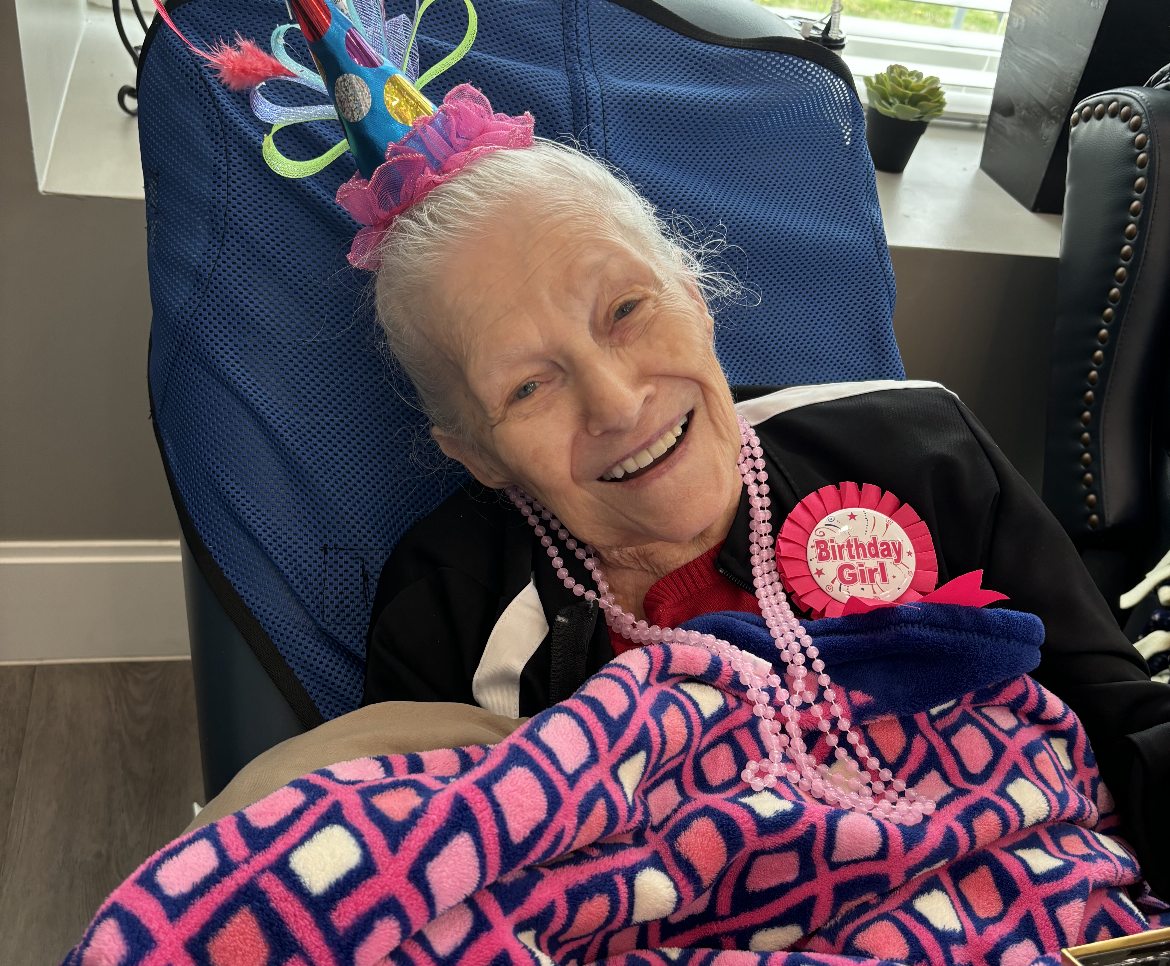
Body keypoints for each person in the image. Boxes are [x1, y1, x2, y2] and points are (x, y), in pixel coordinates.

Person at [359, 125, 1170, 889]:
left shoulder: (924, 451)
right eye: (528, 387)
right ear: (476, 453)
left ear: (693, 294)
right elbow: (429, 885)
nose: (617, 403)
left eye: (627, 310)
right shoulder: (447, 604)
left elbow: (1126, 731)